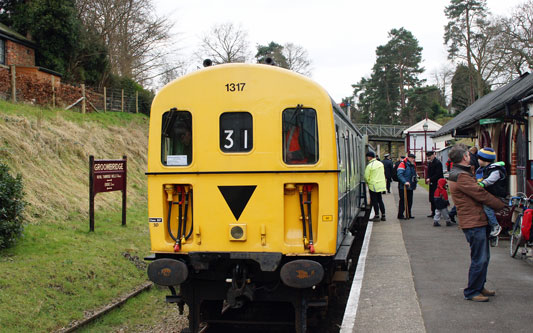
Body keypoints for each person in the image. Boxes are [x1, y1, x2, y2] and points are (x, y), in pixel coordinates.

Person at [447, 143, 505, 302]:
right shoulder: (461, 176)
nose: (470, 156)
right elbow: (479, 193)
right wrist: (501, 205)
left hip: (476, 219)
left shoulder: (460, 173)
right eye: (468, 154)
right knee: (479, 258)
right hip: (473, 221)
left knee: (483, 257)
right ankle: (472, 291)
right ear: (464, 157)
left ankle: (479, 286)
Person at [475, 147, 507, 237]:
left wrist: (483, 183)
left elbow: (491, 180)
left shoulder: (495, 170)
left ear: (484, 160)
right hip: (490, 194)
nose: (477, 160)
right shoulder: (483, 169)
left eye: (479, 158)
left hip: (496, 194)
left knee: (487, 207)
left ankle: (495, 225)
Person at [365, 151, 387, 222]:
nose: (367, 158)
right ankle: (383, 215)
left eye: (367, 157)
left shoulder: (370, 165)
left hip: (373, 185)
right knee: (380, 200)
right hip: (381, 185)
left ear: (370, 157)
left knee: (374, 201)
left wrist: (367, 182)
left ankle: (377, 215)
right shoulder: (380, 163)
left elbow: (366, 176)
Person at [397, 153, 418, 220]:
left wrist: (414, 184)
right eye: (412, 158)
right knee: (403, 200)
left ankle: (408, 214)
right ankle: (400, 214)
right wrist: (404, 181)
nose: (413, 159)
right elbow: (400, 174)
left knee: (410, 201)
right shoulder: (403, 164)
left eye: (413, 158)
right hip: (403, 186)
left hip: (410, 186)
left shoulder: (412, 165)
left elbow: (413, 175)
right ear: (408, 158)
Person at [425, 151, 443, 217]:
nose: (429, 157)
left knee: (436, 198)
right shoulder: (430, 163)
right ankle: (433, 212)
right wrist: (428, 178)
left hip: (437, 183)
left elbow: (438, 174)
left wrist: (430, 179)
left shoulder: (437, 163)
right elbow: (428, 172)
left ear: (433, 155)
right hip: (432, 182)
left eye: (430, 156)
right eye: (428, 156)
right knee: (432, 198)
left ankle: (437, 213)